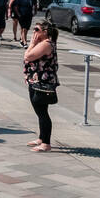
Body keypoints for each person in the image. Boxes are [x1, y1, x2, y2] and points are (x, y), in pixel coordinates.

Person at [24, 20, 59, 152]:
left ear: (45, 32)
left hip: (43, 83)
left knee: (42, 112)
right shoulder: (42, 43)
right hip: (35, 80)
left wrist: (32, 43)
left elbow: (28, 56)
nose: (34, 32)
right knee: (39, 111)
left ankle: (46, 143)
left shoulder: (46, 44)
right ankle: (41, 138)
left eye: (37, 30)